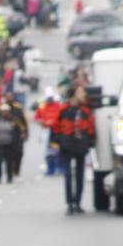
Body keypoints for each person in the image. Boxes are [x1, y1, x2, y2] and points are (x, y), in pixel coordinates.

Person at [53, 86, 95, 214]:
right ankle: (69, 203)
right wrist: (60, 140)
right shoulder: (64, 109)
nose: (83, 94)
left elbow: (91, 128)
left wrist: (89, 142)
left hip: (81, 145)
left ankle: (78, 202)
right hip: (67, 145)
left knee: (80, 175)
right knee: (68, 174)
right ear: (73, 94)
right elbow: (56, 126)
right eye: (80, 92)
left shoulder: (85, 111)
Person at [0, 105, 22, 185]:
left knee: (9, 162)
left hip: (10, 144)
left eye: (6, 111)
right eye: (3, 111)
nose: (4, 113)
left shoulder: (14, 120)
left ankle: (9, 177)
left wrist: (16, 142)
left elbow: (19, 131)